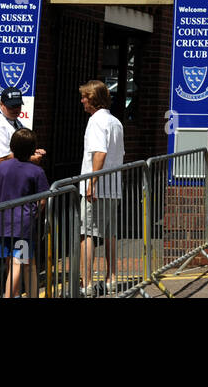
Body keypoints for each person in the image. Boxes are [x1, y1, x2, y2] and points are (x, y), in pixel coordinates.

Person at [0, 87, 44, 295]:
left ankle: (12, 290)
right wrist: (32, 159)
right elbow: (1, 159)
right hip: (4, 189)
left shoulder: (16, 123)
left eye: (18, 106)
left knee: (15, 258)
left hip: (8, 199)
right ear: (1, 105)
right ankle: (3, 290)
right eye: (11, 106)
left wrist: (31, 154)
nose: (16, 109)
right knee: (17, 259)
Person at [0, 127, 49, 298]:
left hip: (4, 223)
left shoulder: (3, 168)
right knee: (20, 263)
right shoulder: (37, 171)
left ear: (12, 146)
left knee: (14, 262)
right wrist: (37, 212)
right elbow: (43, 199)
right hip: (24, 224)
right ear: (32, 149)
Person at [79, 80, 125, 296]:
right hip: (113, 186)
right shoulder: (116, 122)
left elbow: (100, 153)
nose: (82, 101)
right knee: (110, 234)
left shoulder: (96, 122)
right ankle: (112, 278)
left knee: (87, 234)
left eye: (85, 97)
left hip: (96, 188)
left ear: (93, 99)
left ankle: (86, 283)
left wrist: (91, 183)